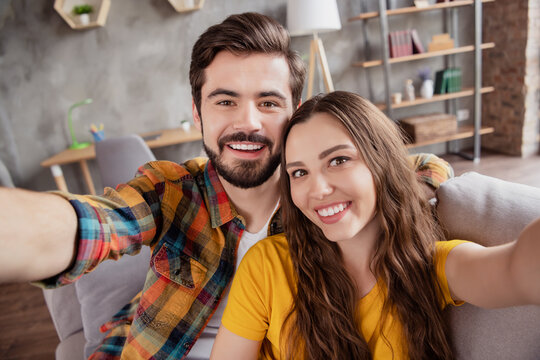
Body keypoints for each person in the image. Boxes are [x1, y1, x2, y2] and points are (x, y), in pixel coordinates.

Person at [0, 15, 453, 360]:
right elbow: (92, 224)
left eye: (268, 102)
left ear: (294, 111)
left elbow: (423, 167)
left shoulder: (323, 204)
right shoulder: (171, 191)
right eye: (225, 101)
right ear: (197, 113)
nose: (248, 123)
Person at [211, 91, 540, 360]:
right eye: (299, 172)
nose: (318, 190)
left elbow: (516, 270)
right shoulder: (268, 267)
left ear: (381, 161)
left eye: (338, 160)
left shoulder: (431, 267)